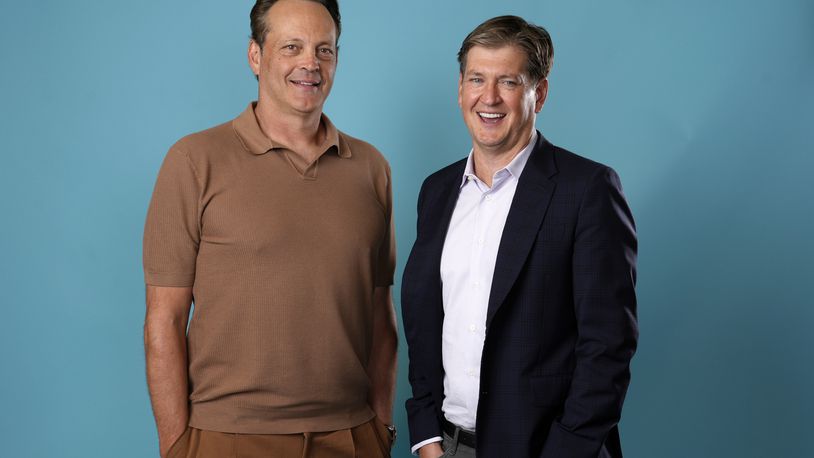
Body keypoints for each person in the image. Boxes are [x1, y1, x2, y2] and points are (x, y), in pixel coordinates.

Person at [142, 1, 397, 457]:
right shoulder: (193, 161)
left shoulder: (372, 169)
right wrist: (177, 446)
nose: (310, 64)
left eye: (324, 49)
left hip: (350, 436)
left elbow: (381, 314)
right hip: (227, 438)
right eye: (291, 47)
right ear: (256, 55)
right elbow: (165, 319)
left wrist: (380, 428)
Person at [401, 15, 638, 458]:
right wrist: (426, 435)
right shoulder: (436, 191)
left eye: (508, 82)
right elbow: (425, 320)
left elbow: (607, 347)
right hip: (448, 447)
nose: (488, 98)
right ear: (460, 88)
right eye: (476, 79)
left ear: (539, 94)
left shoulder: (588, 190)